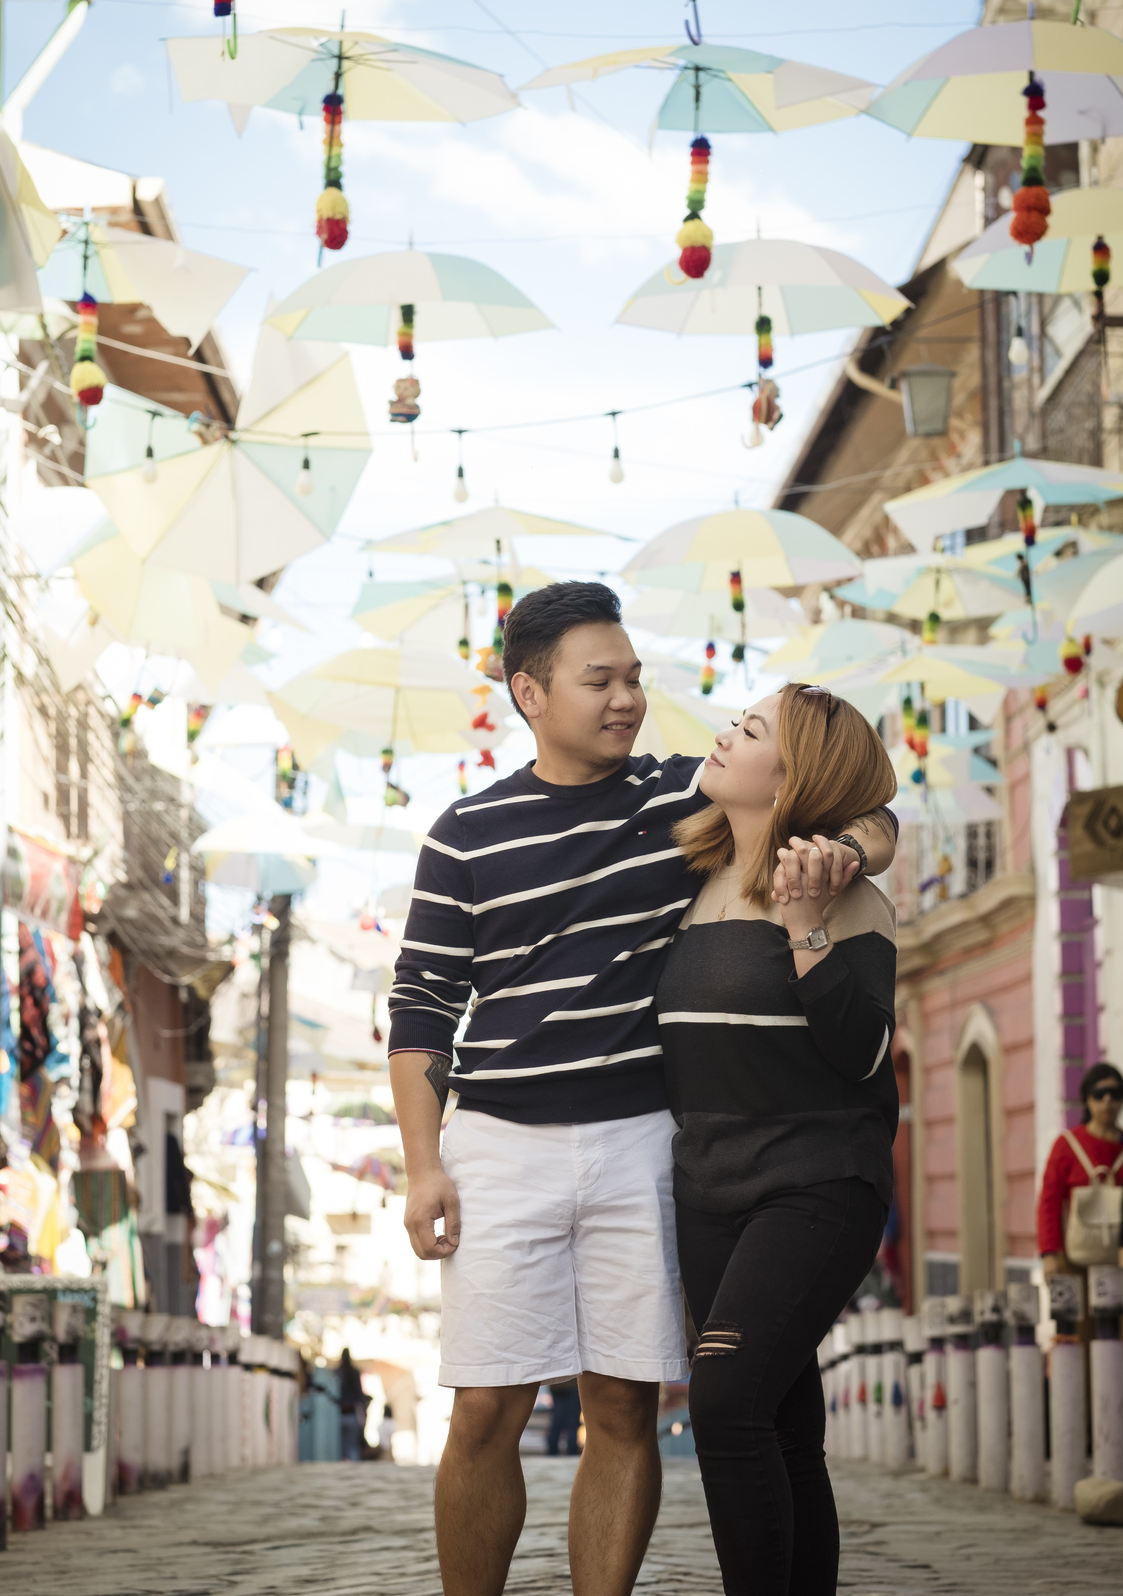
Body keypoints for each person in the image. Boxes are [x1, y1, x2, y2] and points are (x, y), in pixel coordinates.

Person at [388, 583, 896, 1596]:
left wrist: (851, 851)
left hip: (642, 1143)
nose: (627, 699)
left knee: (623, 1402)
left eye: (632, 678)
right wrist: (423, 1165)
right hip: (499, 1141)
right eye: (599, 681)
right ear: (528, 692)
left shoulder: (680, 798)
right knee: (484, 1407)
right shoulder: (464, 834)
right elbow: (420, 1010)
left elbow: (845, 800)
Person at [656, 684, 899, 1596]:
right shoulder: (696, 871)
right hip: (707, 1186)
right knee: (784, 1425)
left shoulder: (853, 901)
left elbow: (864, 1051)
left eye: (751, 731)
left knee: (725, 1407)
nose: (724, 735)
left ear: (792, 777)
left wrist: (807, 925)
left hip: (817, 1182)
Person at [1038, 1061, 1123, 1274]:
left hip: (1122, 1258)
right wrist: (1049, 1253)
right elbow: (1049, 1201)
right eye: (1099, 1094)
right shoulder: (1067, 1144)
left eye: (1115, 1094)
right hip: (1073, 1258)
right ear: (1087, 1099)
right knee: (1074, 1309)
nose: (1107, 1100)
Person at [336, 1347, 368, 1462]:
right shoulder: (354, 1373)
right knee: (352, 1446)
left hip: (339, 1414)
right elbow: (360, 1395)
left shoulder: (336, 1373)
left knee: (341, 1446)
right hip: (352, 1415)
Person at [546, 1378, 582, 1457]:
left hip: (556, 1384)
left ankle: (552, 1451)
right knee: (573, 1422)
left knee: (557, 1420)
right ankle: (572, 1451)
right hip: (573, 1385)